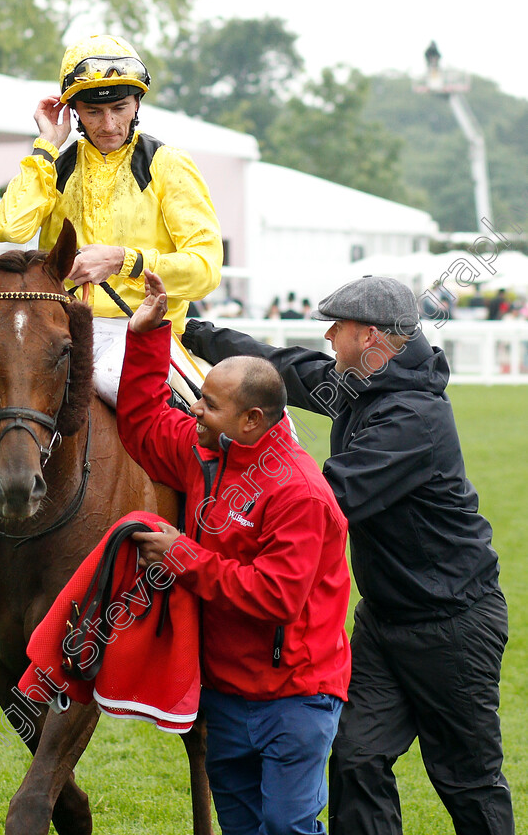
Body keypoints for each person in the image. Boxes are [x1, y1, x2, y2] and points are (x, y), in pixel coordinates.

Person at [182, 274, 514, 835]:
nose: (329, 337)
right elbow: (283, 367)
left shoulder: (415, 419)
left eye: (338, 327)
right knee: (356, 759)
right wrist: (197, 334)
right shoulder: (358, 383)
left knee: (466, 779)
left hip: (453, 626)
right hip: (383, 623)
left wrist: (228, 504)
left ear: (371, 338)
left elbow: (323, 496)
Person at [116, 270, 351, 835]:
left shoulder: (299, 490)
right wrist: (147, 337)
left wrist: (182, 556)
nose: (195, 411)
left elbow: (275, 597)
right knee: (244, 828)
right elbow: (145, 425)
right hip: (225, 694)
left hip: (296, 697)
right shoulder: (209, 450)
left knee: (288, 827)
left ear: (252, 420)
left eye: (209, 404)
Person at [0, 34, 223, 406]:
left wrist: (122, 260)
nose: (109, 123)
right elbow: (9, 227)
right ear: (74, 113)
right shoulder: (56, 165)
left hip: (143, 329)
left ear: (136, 105)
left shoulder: (167, 164)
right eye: (93, 111)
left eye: (119, 108)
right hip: (61, 330)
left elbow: (205, 270)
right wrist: (47, 146)